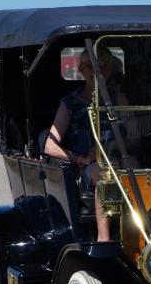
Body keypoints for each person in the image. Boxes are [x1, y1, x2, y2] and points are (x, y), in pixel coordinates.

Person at [44, 50, 118, 242]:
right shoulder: (70, 103)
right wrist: (79, 158)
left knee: (140, 168)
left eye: (103, 67)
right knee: (102, 173)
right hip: (85, 168)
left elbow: (134, 135)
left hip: (119, 160)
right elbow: (50, 146)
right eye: (92, 67)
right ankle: (104, 238)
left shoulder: (118, 100)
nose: (98, 72)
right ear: (82, 70)